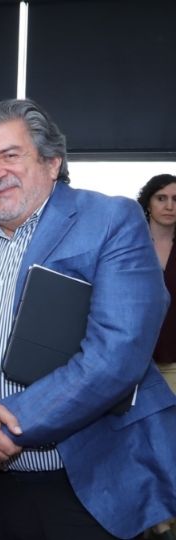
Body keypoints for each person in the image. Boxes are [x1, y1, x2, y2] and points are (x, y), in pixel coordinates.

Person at [0, 98, 176, 540]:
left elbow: (118, 351)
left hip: (79, 484)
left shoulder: (110, 220)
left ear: (52, 162)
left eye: (10, 155)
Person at [138, 173, 176, 540]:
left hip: (174, 360)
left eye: (175, 199)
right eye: (161, 198)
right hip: (134, 363)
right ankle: (154, 522)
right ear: (148, 202)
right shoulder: (132, 243)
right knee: (143, 443)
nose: (169, 205)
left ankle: (166, 521)